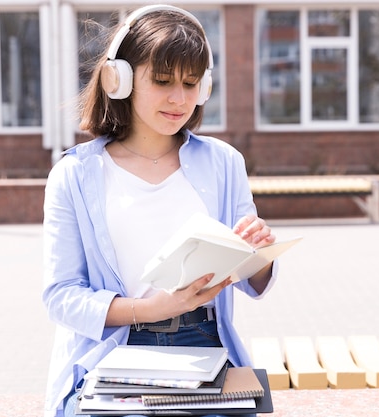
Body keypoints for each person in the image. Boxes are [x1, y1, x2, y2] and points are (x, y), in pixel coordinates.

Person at [42, 5, 278, 417]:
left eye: (191, 84)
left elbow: (250, 281)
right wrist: (150, 309)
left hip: (205, 345)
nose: (179, 99)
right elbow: (61, 297)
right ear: (121, 80)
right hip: (113, 349)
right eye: (163, 81)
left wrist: (256, 254)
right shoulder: (74, 175)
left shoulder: (224, 163)